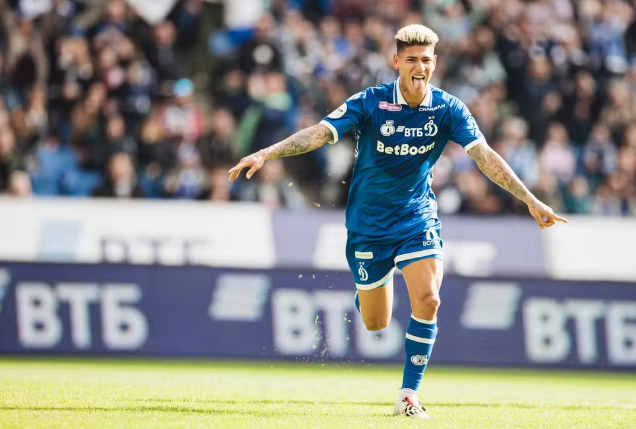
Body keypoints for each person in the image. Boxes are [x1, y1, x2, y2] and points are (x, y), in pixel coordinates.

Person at [228, 24, 568, 419]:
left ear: (435, 63)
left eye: (426, 60)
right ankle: (374, 285)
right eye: (411, 60)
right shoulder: (370, 102)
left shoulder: (449, 108)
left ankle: (408, 395)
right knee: (376, 322)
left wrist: (529, 200)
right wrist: (266, 153)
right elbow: (319, 134)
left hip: (416, 218)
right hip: (368, 225)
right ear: (396, 61)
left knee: (430, 299)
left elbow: (485, 156)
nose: (419, 67)